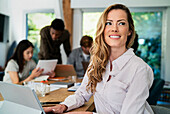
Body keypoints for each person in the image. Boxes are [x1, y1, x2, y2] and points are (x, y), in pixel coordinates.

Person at [44, 4, 154, 114]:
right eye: (109, 23)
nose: (114, 29)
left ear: (129, 30)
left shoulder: (140, 69)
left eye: (121, 23)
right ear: (103, 28)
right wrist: (63, 106)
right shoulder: (97, 62)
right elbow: (82, 94)